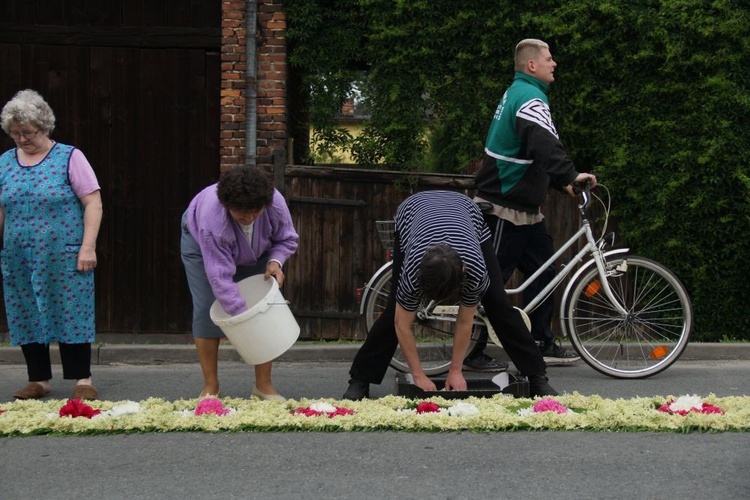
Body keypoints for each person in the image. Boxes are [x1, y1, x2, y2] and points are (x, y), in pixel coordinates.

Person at [343, 190, 558, 400]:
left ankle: (537, 376)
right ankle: (360, 379)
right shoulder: (412, 271)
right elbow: (402, 324)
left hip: (467, 213)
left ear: (463, 273)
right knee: (394, 309)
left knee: (497, 302)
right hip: (412, 211)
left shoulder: (474, 268)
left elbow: (465, 321)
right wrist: (418, 375)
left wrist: (456, 371)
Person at [468, 39, 598, 370]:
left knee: (545, 271)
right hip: (503, 205)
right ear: (532, 66)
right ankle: (471, 351)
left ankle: (540, 341)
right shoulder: (529, 97)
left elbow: (528, 151)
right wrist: (570, 174)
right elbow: (543, 145)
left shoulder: (519, 93)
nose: (554, 64)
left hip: (524, 207)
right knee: (490, 281)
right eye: (549, 59)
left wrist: (562, 182)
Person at [0, 89, 103, 400]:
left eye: (27, 133)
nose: (21, 139)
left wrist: (88, 247)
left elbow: (93, 203)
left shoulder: (70, 157)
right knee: (25, 310)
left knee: (72, 310)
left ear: (44, 127)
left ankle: (82, 380)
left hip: (64, 253)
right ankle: (39, 380)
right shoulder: (4, 162)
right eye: (15, 133)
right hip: (18, 254)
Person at [181, 166, 298, 400]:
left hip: (258, 248)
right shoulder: (212, 221)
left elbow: (286, 238)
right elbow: (220, 276)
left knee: (262, 306)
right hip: (202, 247)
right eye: (240, 215)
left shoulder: (274, 203)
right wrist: (243, 317)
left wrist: (276, 261)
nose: (248, 219)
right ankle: (211, 387)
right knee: (206, 307)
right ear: (226, 206)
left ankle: (263, 386)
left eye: (254, 213)